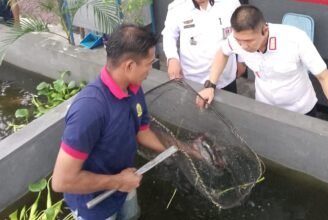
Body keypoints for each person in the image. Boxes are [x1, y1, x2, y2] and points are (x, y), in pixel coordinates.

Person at [196, 5, 328, 143]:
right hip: (265, 109)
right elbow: (222, 52)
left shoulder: (295, 39)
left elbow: (325, 78)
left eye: (249, 41)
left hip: (301, 112)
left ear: (264, 30)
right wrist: (211, 85)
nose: (243, 46)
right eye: (239, 40)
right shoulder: (237, 40)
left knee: (304, 150)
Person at [52, 24, 167, 220]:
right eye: (149, 63)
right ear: (129, 66)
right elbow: (62, 181)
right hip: (94, 205)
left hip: (125, 183)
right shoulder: (90, 109)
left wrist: (182, 150)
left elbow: (142, 131)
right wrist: (117, 182)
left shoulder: (134, 88)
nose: (150, 69)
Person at [162, 0, 244, 93]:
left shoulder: (230, 2)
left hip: (225, 78)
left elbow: (242, 29)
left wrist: (242, 59)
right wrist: (172, 58)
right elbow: (169, 35)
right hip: (192, 80)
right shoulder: (177, 7)